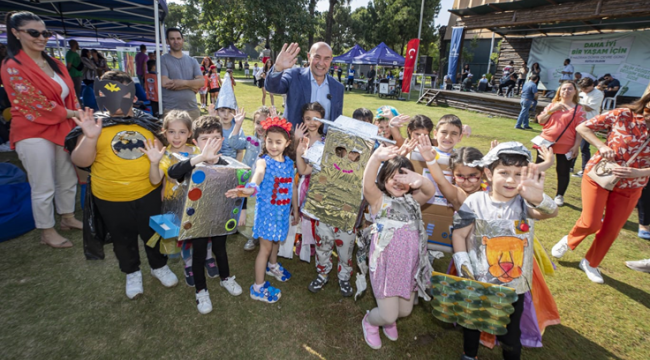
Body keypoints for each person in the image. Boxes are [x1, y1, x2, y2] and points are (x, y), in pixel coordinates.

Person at [66, 71, 178, 298]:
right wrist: (90, 137)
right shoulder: (95, 126)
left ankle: (158, 266)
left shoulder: (146, 123)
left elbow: (163, 154)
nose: (117, 103)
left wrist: (163, 170)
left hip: (147, 193)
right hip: (110, 198)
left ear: (133, 97)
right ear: (100, 96)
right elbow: (80, 161)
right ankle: (131, 271)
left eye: (124, 96)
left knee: (154, 233)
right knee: (122, 238)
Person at [452, 142, 558, 360]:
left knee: (511, 332)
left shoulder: (524, 205)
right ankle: (469, 355)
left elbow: (550, 213)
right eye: (504, 172)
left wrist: (539, 198)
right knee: (472, 323)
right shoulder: (474, 201)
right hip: (477, 281)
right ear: (489, 173)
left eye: (519, 174)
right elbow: (459, 235)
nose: (511, 180)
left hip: (513, 287)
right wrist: (465, 270)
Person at [1, 11, 82, 248]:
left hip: (63, 128)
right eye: (34, 33)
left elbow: (72, 96)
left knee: (67, 176)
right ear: (16, 33)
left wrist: (76, 118)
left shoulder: (54, 63)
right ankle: (47, 231)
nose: (41, 37)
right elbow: (35, 104)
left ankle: (67, 217)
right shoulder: (11, 66)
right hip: (32, 131)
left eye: (45, 32)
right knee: (43, 184)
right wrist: (74, 114)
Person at [552, 93, 650, 284]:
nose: (648, 116)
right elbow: (583, 127)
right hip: (600, 175)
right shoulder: (624, 114)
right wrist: (601, 146)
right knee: (590, 223)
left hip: (632, 185)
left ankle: (590, 263)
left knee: (611, 229)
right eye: (648, 110)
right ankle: (569, 240)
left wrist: (640, 173)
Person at [161, 116, 243, 314]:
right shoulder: (190, 163)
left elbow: (240, 182)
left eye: (216, 138)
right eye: (205, 139)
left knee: (220, 249)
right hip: (197, 218)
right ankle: (201, 291)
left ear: (222, 140)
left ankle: (225, 278)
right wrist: (199, 157)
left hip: (219, 216)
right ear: (195, 142)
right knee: (198, 255)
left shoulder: (227, 162)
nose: (211, 143)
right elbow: (173, 172)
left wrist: (243, 210)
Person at [359, 146, 435, 350]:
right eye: (394, 178)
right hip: (385, 268)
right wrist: (375, 157)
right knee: (387, 313)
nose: (400, 183)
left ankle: (389, 321)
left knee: (405, 311)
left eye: (405, 179)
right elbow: (367, 185)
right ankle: (371, 321)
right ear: (384, 179)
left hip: (408, 267)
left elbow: (429, 191)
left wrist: (422, 180)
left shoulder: (412, 202)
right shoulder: (378, 201)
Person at [225, 116, 296, 303]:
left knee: (275, 242)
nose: (273, 146)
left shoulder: (289, 163)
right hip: (267, 215)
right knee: (265, 248)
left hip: (281, 213)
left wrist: (294, 209)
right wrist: (251, 188)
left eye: (278, 142)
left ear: (287, 143)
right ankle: (258, 287)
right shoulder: (263, 161)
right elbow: (258, 174)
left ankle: (272, 265)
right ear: (265, 140)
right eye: (270, 141)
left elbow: (293, 186)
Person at [265, 42, 344, 128]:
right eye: (317, 57)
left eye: (326, 59)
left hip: (323, 140)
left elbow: (337, 120)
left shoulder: (338, 88)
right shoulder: (294, 76)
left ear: (331, 59)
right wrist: (277, 68)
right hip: (296, 139)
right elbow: (272, 87)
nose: (321, 63)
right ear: (309, 57)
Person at [229, 106, 272, 250]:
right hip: (249, 182)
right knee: (249, 211)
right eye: (258, 122)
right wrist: (238, 125)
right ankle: (252, 237)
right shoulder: (250, 140)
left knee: (262, 211)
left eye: (265, 123)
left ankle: (261, 235)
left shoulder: (273, 142)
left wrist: (276, 125)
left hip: (266, 184)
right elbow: (233, 142)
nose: (261, 126)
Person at [535, 81, 585, 206]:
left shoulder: (579, 109)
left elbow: (580, 130)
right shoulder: (552, 105)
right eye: (563, 89)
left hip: (566, 144)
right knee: (538, 168)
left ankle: (559, 195)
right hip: (546, 141)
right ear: (559, 91)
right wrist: (552, 110)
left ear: (575, 91)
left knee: (563, 170)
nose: (566, 91)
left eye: (569, 89)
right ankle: (534, 191)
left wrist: (576, 146)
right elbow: (540, 120)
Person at [160, 28, 204, 120]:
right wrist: (191, 85)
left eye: (178, 38)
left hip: (192, 110)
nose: (176, 41)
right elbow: (165, 83)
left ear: (183, 40)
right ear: (167, 41)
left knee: (194, 134)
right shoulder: (162, 60)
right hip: (171, 111)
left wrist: (182, 83)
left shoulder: (192, 61)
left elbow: (201, 82)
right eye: (172, 39)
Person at [573, 78, 604, 177]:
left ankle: (584, 170)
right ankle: (570, 166)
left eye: (585, 89)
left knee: (584, 147)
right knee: (573, 144)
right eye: (582, 89)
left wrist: (575, 103)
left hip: (589, 122)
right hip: (578, 120)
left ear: (592, 85)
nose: (583, 91)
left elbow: (590, 107)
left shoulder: (597, 93)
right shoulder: (581, 92)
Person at [65, 39, 83, 104]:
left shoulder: (76, 53)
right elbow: (69, 65)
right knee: (75, 91)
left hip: (78, 74)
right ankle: (76, 105)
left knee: (77, 91)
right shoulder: (70, 54)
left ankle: (77, 104)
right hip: (74, 75)